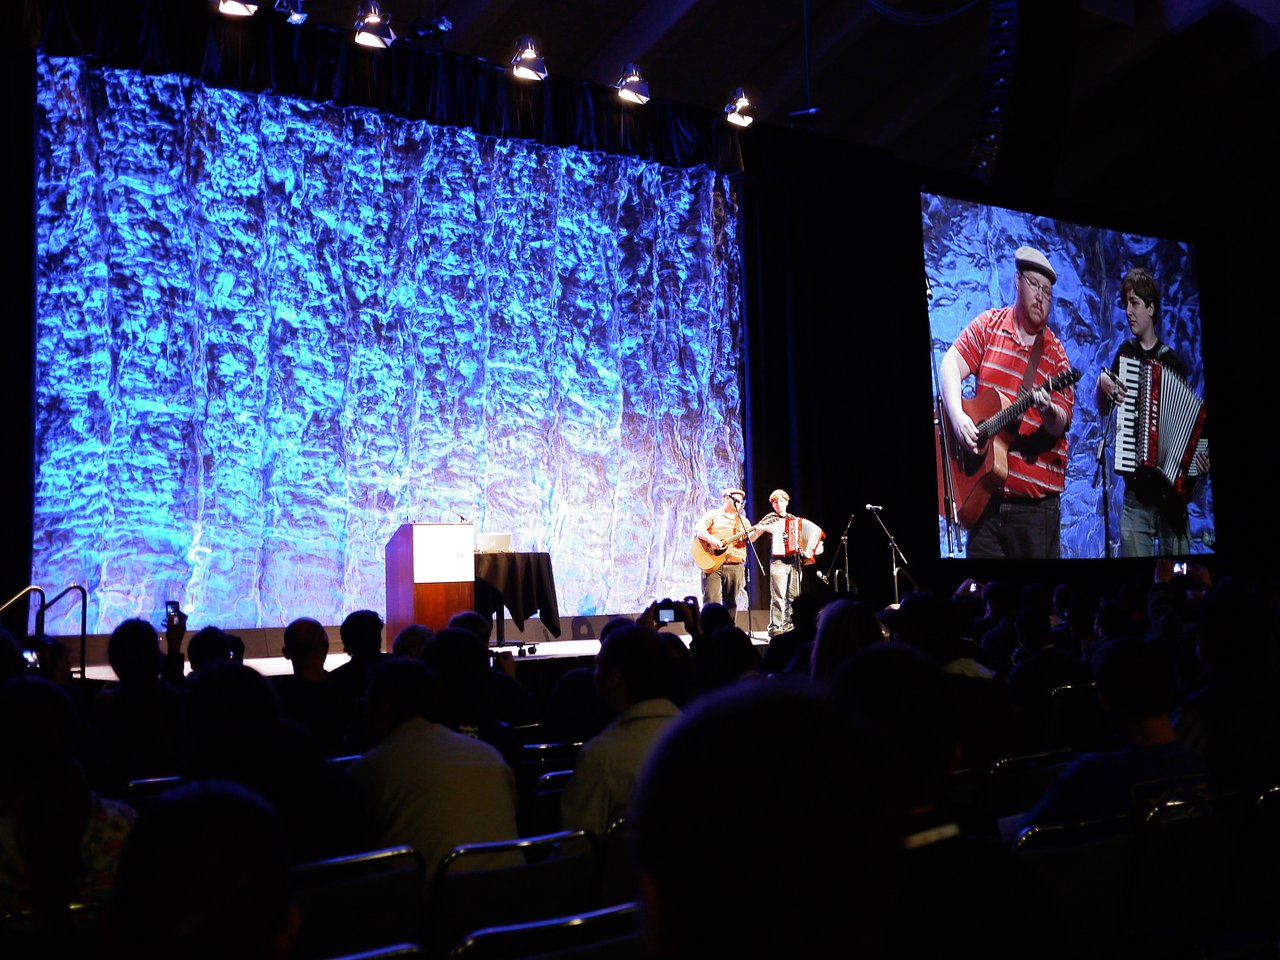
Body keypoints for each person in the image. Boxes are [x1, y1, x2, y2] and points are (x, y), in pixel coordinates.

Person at [939, 245, 1076, 558]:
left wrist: (1047, 408)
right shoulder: (989, 327)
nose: (1041, 296)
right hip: (985, 502)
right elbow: (950, 365)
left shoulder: (1056, 356)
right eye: (1034, 285)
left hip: (1034, 515)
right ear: (1017, 281)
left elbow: (1059, 423)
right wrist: (959, 419)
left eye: (1047, 291)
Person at [1096, 266, 1209, 556]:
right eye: (1125, 304)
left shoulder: (1173, 362)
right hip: (1137, 495)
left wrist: (1199, 462)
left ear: (1151, 308)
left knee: (1177, 583)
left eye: (1134, 304)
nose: (1128, 312)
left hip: (1171, 497)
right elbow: (1103, 408)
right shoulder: (1125, 355)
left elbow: (1190, 427)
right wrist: (1102, 383)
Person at [754, 488, 822, 637]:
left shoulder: (794, 520)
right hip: (778, 561)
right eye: (774, 501)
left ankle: (790, 626)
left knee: (793, 596)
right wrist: (765, 528)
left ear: (786, 502)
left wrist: (815, 548)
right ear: (772, 505)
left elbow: (805, 541)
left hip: (794, 562)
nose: (778, 504)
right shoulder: (770, 518)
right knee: (778, 596)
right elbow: (752, 537)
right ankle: (775, 628)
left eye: (780, 500)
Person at [692, 487, 752, 622]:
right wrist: (712, 540)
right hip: (713, 564)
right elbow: (699, 529)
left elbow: (750, 538)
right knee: (711, 601)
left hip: (735, 566)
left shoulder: (743, 521)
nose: (739, 504)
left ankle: (728, 632)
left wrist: (759, 530)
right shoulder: (713, 515)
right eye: (736, 500)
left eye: (742, 502)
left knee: (731, 603)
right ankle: (709, 632)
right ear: (726, 498)